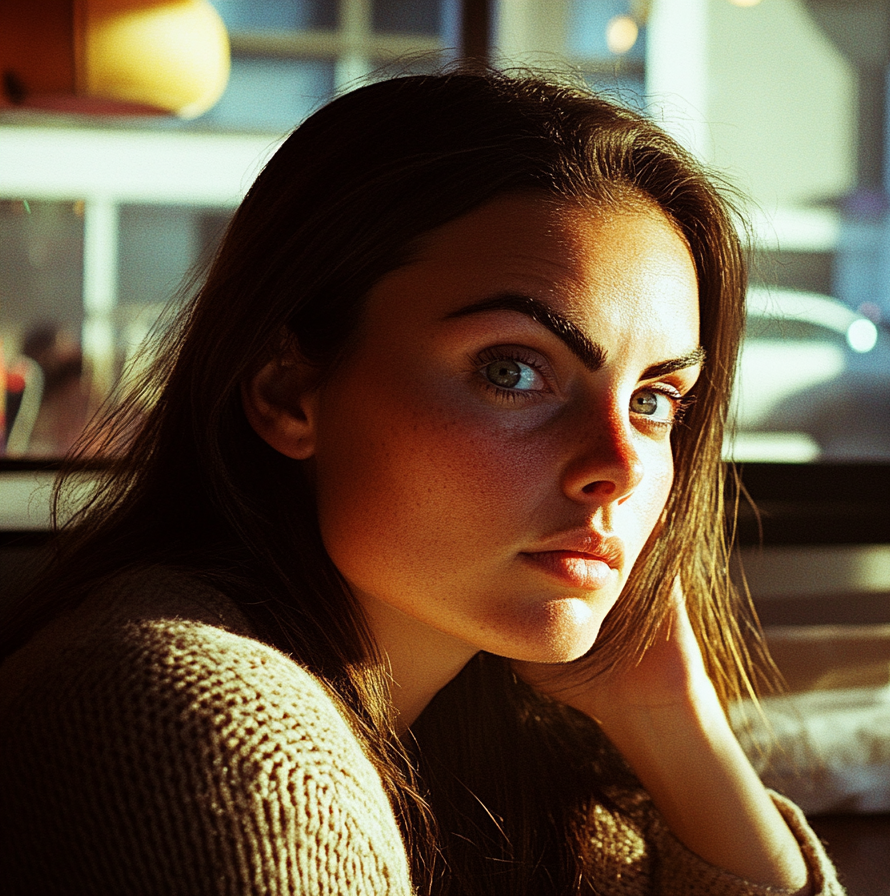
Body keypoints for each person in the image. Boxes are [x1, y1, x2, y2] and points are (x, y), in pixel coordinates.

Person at [0, 67, 844, 895]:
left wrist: (671, 719)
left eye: (655, 398)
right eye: (512, 370)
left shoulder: (479, 739)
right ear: (290, 393)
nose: (620, 466)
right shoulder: (214, 729)